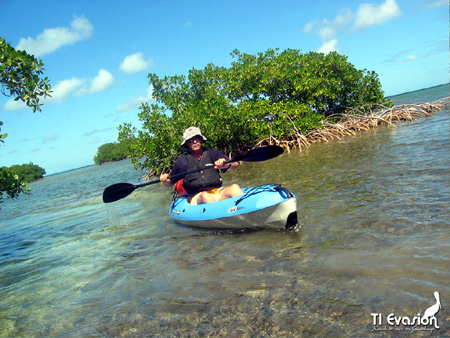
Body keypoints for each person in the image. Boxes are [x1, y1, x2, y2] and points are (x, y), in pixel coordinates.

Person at [160, 126, 244, 204]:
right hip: (196, 197)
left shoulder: (213, 153)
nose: (195, 141)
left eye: (196, 138)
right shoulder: (181, 162)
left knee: (235, 188)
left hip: (216, 191)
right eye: (190, 140)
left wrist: (227, 164)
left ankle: (247, 213)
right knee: (206, 196)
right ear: (187, 144)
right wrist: (165, 179)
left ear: (201, 139)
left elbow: (235, 165)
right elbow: (170, 183)